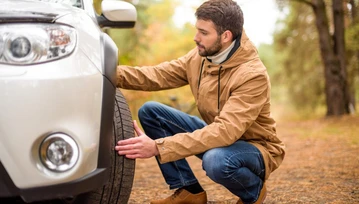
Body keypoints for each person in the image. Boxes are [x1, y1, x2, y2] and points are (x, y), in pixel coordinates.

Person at [115, 0, 285, 203]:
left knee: (216, 161)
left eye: (204, 33)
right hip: (219, 136)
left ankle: (253, 192)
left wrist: (159, 147)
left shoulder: (251, 75)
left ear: (226, 36)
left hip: (255, 147)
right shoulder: (200, 57)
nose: (196, 38)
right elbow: (156, 75)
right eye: (197, 30)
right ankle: (190, 191)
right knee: (151, 112)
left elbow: (225, 131)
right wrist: (108, 73)